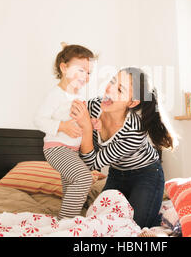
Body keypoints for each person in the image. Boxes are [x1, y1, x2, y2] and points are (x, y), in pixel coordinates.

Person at [70, 67, 176, 228]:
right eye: (113, 81)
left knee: (132, 227)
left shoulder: (134, 130)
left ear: (132, 102)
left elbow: (93, 163)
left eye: (119, 89)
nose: (109, 89)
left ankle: (162, 218)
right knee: (99, 224)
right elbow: (85, 154)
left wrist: (86, 125)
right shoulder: (93, 107)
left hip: (146, 175)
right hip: (116, 174)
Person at [33, 42, 97, 220]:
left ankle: (69, 218)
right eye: (81, 70)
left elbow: (77, 119)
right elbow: (39, 119)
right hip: (57, 149)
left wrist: (92, 122)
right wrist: (62, 126)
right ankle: (64, 224)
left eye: (89, 72)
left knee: (71, 187)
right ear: (64, 68)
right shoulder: (56, 94)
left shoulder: (77, 96)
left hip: (72, 151)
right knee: (83, 178)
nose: (86, 76)